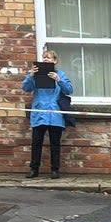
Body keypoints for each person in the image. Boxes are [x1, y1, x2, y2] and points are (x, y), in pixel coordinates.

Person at [21, 49, 74, 179]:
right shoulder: (36, 75)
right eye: (44, 57)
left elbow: (69, 90)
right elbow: (26, 88)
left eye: (48, 57)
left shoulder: (61, 74)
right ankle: (34, 169)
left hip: (55, 114)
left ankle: (55, 170)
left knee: (55, 144)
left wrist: (59, 80)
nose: (45, 59)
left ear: (55, 61)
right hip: (39, 113)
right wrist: (30, 76)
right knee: (36, 142)